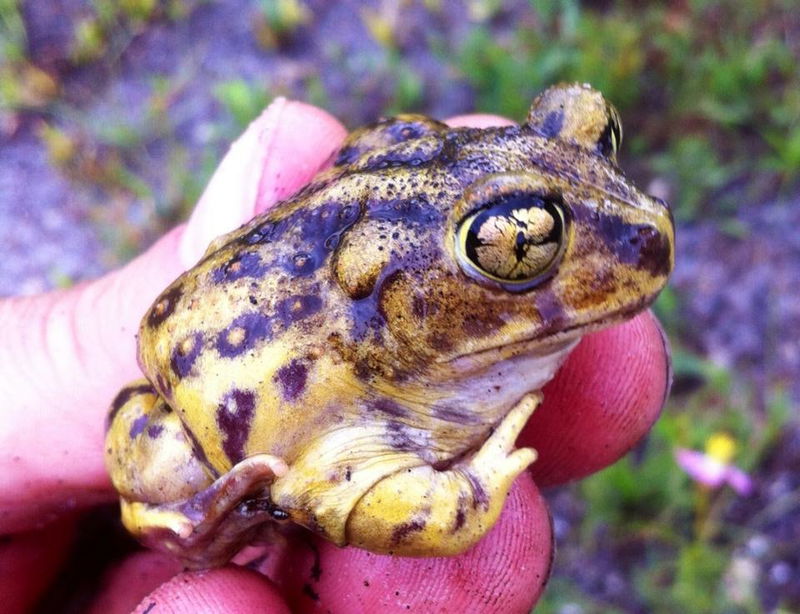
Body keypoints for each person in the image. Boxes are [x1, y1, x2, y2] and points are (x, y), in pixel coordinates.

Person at [0, 100, 671, 613]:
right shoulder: (378, 375)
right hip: (195, 401)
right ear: (414, 304)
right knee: (167, 466)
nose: (648, 224)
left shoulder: (431, 329)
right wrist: (458, 500)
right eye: (520, 246)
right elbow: (324, 483)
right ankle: (174, 515)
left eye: (601, 138)